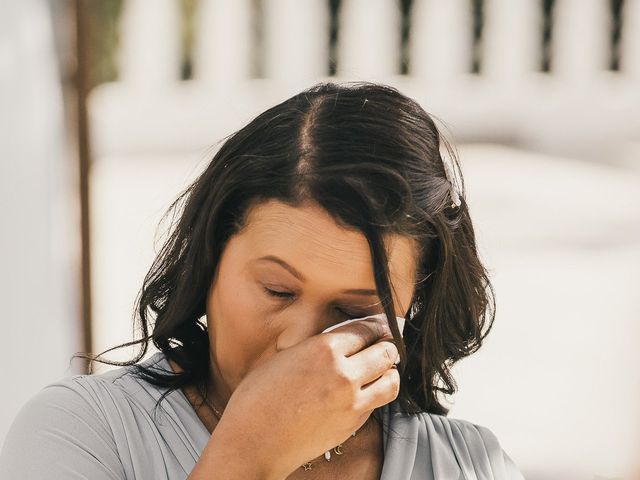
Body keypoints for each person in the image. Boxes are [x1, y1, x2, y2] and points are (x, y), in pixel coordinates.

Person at [0, 81, 526, 479]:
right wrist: (250, 454)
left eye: (352, 311)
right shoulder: (85, 433)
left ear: (417, 306)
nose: (301, 342)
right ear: (209, 263)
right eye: (277, 290)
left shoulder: (466, 465)